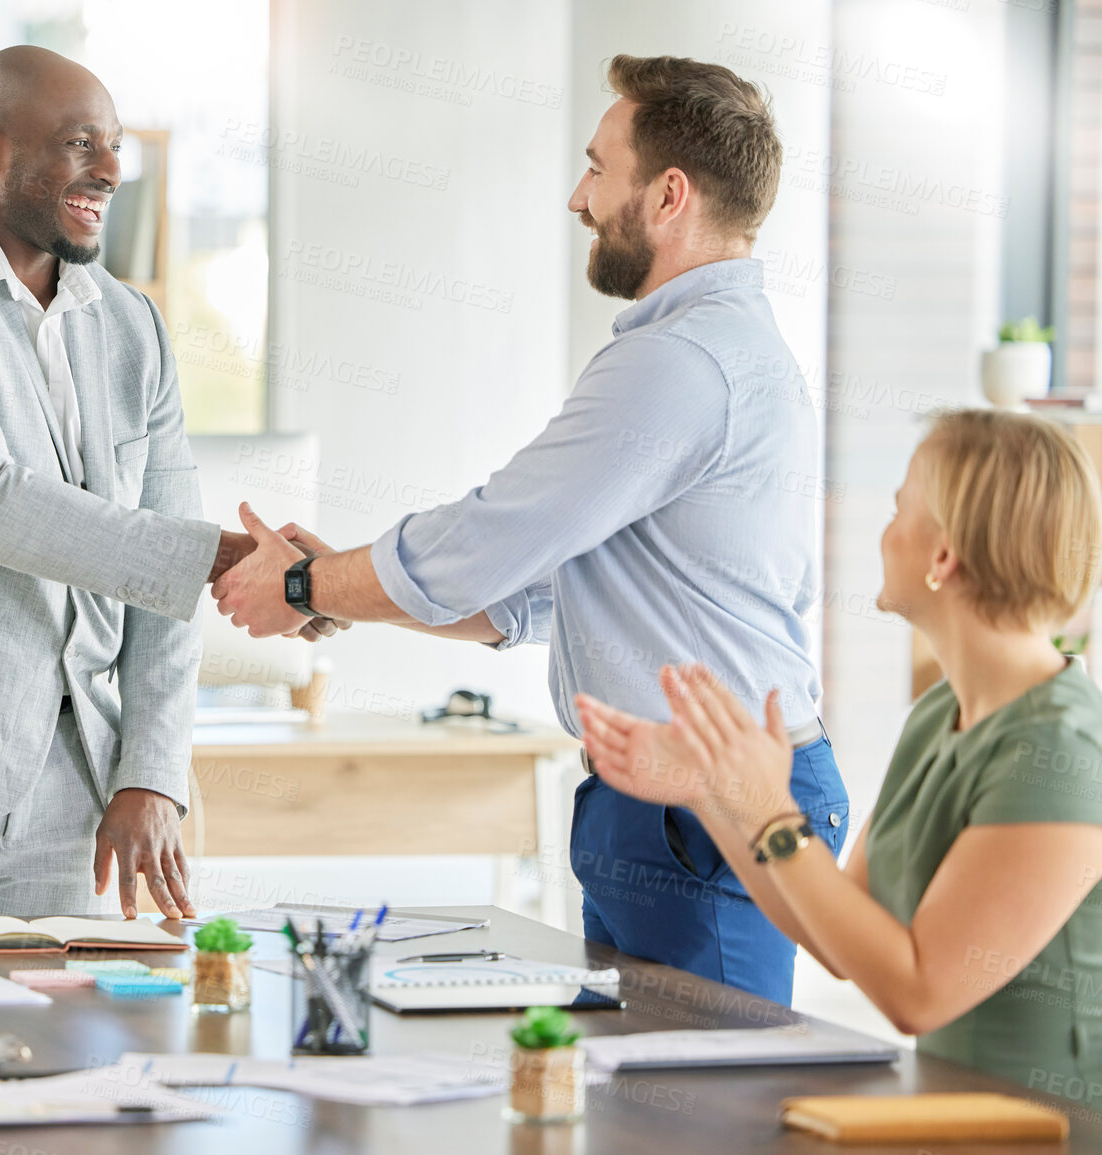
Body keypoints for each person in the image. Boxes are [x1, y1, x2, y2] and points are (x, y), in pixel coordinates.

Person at [212, 54, 847, 1003]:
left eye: (598, 167)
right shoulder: (703, 351)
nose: (576, 198)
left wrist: (306, 587)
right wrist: (334, 590)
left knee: (712, 1116)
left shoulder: (682, 363)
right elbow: (533, 591)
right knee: (645, 1110)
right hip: (659, 805)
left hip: (709, 805)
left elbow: (487, 539)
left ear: (668, 195)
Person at [0, 44, 334, 922]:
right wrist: (229, 558)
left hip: (77, 788)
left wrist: (151, 772)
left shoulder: (130, 323)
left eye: (116, 145)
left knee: (64, 1051)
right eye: (79, 144)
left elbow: (158, 571)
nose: (109, 170)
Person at [577, 409, 1102, 1093]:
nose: (882, 534)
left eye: (897, 510)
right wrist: (711, 791)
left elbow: (918, 991)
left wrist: (770, 812)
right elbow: (833, 935)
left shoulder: (1056, 749)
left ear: (943, 556)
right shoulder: (944, 712)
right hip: (961, 1121)